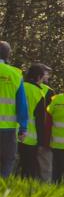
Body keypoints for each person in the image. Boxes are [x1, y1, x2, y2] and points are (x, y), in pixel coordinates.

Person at [0, 42, 31, 178]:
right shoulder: (15, 74)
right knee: (8, 160)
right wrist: (23, 127)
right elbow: (21, 104)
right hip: (7, 128)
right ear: (8, 55)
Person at [17, 64, 52, 180]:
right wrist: (42, 140)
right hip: (30, 138)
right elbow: (40, 119)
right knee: (28, 170)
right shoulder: (39, 93)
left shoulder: (19, 86)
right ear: (38, 77)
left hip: (12, 132)